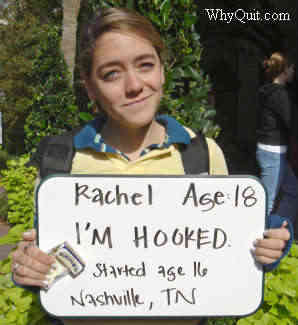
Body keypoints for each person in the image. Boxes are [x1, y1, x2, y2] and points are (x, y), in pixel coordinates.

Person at [11, 8, 292, 325]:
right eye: (111, 74)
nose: (134, 85)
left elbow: (228, 250)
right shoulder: (60, 159)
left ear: (162, 72)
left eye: (145, 65)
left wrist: (267, 245)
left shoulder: (200, 154)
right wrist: (29, 268)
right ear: (90, 87)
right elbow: (46, 261)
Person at [256, 52, 298, 223]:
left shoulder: (270, 91)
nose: (294, 71)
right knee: (267, 200)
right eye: (292, 68)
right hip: (272, 152)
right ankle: (258, 236)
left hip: (273, 151)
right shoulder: (279, 94)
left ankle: (276, 229)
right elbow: (291, 121)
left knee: (292, 190)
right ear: (284, 71)